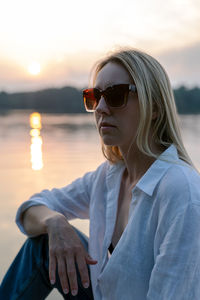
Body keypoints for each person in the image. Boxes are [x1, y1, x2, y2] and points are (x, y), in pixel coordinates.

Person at [1, 48, 200, 300]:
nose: (101, 108)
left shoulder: (181, 191)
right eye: (94, 97)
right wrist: (56, 222)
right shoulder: (108, 177)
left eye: (116, 95)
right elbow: (30, 210)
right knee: (40, 246)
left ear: (156, 108)